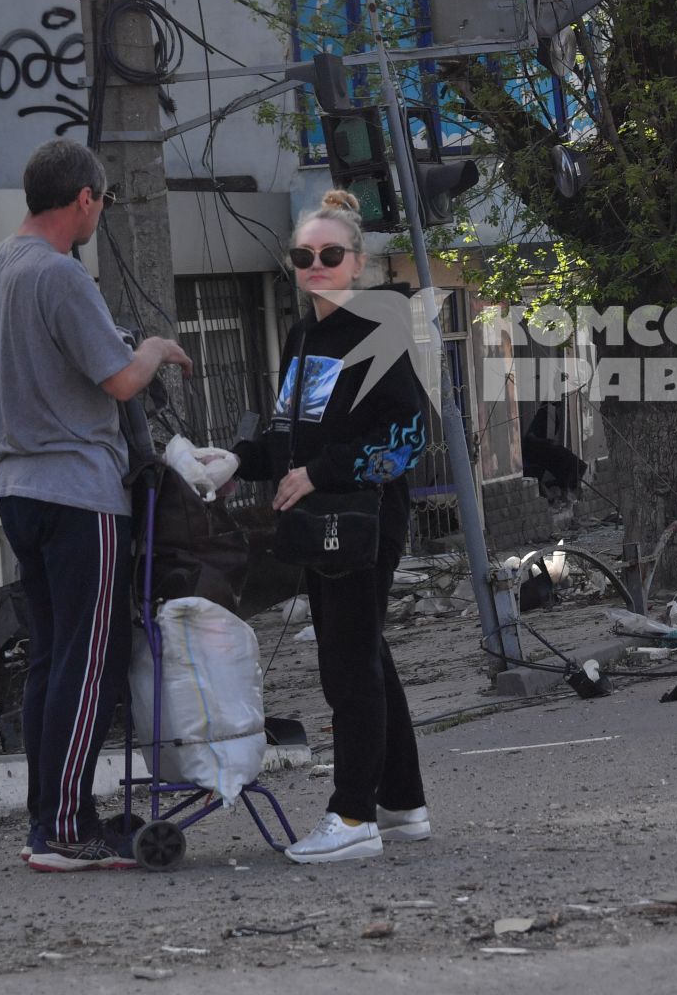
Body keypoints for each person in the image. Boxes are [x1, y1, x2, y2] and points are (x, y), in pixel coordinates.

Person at [0, 140, 193, 871]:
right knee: (90, 662)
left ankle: (50, 818)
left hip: (16, 491)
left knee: (51, 662)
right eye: (101, 202)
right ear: (85, 200)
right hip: (79, 496)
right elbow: (121, 381)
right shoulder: (61, 276)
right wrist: (156, 348)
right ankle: (68, 830)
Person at [235, 189, 431, 864]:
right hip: (324, 521)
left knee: (347, 663)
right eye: (303, 255)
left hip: (364, 519)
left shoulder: (376, 329)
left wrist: (323, 473)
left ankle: (352, 817)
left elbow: (408, 435)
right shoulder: (305, 335)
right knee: (363, 652)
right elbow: (293, 434)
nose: (314, 264)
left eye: (329, 254)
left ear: (357, 264)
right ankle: (401, 802)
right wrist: (234, 459)